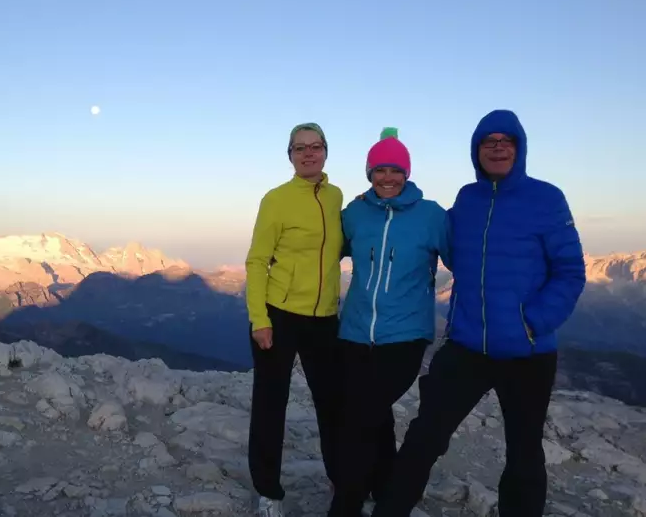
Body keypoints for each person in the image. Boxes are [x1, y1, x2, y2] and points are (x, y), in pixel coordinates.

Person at [371, 109, 586, 517]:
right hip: (468, 347)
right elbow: (434, 233)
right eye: (489, 141)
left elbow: (571, 273)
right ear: (477, 151)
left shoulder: (547, 198)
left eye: (507, 141)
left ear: (519, 149)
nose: (498, 147)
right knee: (424, 438)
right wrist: (393, 193)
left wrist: (532, 322)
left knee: (524, 454)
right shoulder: (467, 199)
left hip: (528, 351)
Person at [327, 127, 451, 517]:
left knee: (358, 419)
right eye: (379, 170)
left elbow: (463, 262)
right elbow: (324, 251)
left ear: (407, 174)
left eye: (395, 170)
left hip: (405, 336)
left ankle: (346, 504)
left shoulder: (431, 215)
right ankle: (382, 485)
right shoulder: (355, 213)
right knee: (372, 414)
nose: (388, 178)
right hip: (354, 333)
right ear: (369, 172)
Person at [245, 122, 344, 517]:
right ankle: (268, 492)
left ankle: (344, 479)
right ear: (290, 155)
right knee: (271, 406)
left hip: (324, 318)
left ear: (325, 152)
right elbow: (256, 261)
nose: (308, 153)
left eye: (316, 146)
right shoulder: (277, 199)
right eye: (300, 148)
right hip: (279, 316)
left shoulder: (337, 198)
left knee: (333, 405)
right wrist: (259, 319)